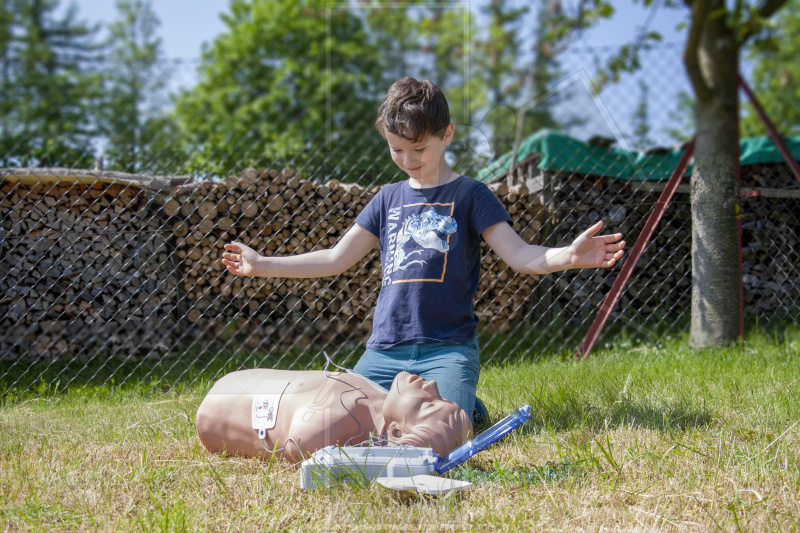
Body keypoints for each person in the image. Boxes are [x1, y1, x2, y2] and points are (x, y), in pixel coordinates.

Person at [221, 76, 625, 422]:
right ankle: (450, 400)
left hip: (447, 349)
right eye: (396, 149)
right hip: (385, 351)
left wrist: (568, 256)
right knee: (340, 418)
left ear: (447, 134)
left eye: (418, 149)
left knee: (438, 425)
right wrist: (261, 264)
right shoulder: (386, 199)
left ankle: (464, 404)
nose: (407, 159)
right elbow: (335, 258)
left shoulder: (471, 194)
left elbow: (519, 255)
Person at [195, 368, 472, 463]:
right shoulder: (380, 402)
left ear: (397, 432)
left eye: (429, 405)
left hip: (217, 409)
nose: (433, 386)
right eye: (443, 398)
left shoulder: (331, 425)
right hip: (234, 383)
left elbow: (301, 442)